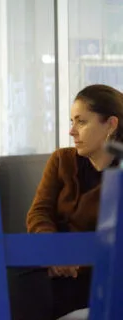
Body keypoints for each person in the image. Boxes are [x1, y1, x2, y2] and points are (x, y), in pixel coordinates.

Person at [9, 84, 123, 320]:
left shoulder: (119, 173)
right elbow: (39, 213)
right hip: (56, 266)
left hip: (98, 275)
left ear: (111, 125)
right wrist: (56, 252)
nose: (72, 131)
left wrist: (75, 259)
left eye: (81, 122)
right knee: (20, 274)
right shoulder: (62, 160)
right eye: (72, 121)